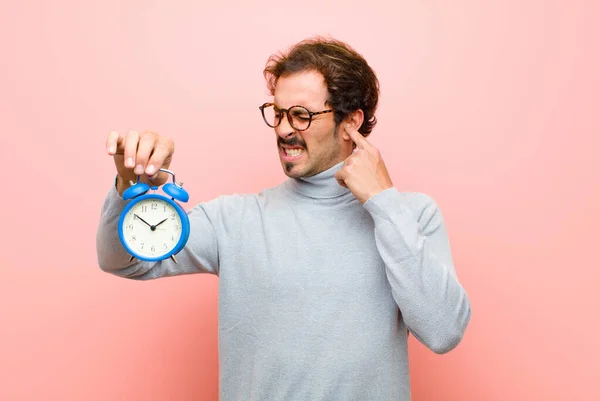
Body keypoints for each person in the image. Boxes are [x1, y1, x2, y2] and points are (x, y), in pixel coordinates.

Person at [96, 37, 471, 401]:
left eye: (301, 115)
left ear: (350, 123)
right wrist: (129, 182)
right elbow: (122, 262)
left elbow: (443, 331)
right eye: (277, 113)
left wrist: (382, 201)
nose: (283, 129)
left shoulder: (410, 216)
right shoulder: (235, 219)